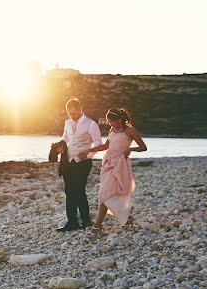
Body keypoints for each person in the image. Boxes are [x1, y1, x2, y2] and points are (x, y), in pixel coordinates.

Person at [86, 108, 147, 238]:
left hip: (120, 164)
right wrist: (89, 150)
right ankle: (127, 218)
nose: (111, 124)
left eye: (112, 122)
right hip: (108, 163)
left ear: (120, 119)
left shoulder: (130, 131)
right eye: (109, 122)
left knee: (104, 194)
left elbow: (143, 147)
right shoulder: (112, 130)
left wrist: (130, 149)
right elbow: (106, 146)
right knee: (109, 192)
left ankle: (97, 228)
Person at [56, 98, 102, 232]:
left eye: (74, 113)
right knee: (69, 192)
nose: (72, 116)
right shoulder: (67, 123)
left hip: (83, 163)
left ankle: (86, 220)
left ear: (80, 109)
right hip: (68, 162)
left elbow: (98, 143)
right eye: (70, 114)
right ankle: (72, 222)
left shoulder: (91, 124)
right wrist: (60, 147)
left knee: (79, 191)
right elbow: (65, 138)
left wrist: (89, 154)